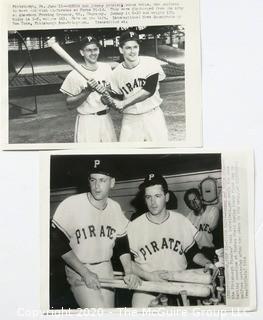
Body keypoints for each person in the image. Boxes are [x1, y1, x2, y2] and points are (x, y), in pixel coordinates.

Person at [52, 159, 140, 308]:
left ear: (112, 182)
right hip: (79, 268)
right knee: (98, 312)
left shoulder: (114, 207)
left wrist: (129, 271)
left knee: (109, 313)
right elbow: (57, 242)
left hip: (105, 266)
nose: (96, 186)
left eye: (102, 180)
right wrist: (85, 272)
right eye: (93, 180)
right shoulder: (72, 204)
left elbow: (121, 242)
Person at [127, 173, 216, 307]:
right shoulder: (133, 226)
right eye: (148, 197)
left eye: (157, 196)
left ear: (166, 197)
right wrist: (149, 276)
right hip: (146, 286)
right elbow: (127, 262)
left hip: (178, 284)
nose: (153, 202)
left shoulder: (181, 220)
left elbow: (192, 253)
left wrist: (207, 262)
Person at [107, 30, 169, 142]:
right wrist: (108, 99)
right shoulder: (115, 73)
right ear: (121, 49)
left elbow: (149, 90)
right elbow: (118, 98)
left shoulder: (151, 63)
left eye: (135, 47)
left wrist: (123, 103)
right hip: (131, 119)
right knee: (128, 155)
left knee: (160, 152)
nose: (132, 51)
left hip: (153, 116)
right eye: (128, 48)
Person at [60, 36, 117, 143]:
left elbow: (112, 93)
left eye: (95, 49)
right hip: (87, 121)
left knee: (110, 154)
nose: (93, 53)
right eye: (88, 50)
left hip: (106, 118)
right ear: (82, 52)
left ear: (99, 50)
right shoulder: (74, 74)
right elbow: (69, 104)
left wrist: (107, 96)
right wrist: (87, 91)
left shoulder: (106, 68)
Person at [184, 188, 220, 262]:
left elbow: (213, 227)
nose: (194, 203)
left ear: (200, 197)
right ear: (188, 205)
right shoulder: (188, 218)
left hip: (212, 251)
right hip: (197, 253)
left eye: (195, 199)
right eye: (190, 202)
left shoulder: (213, 210)